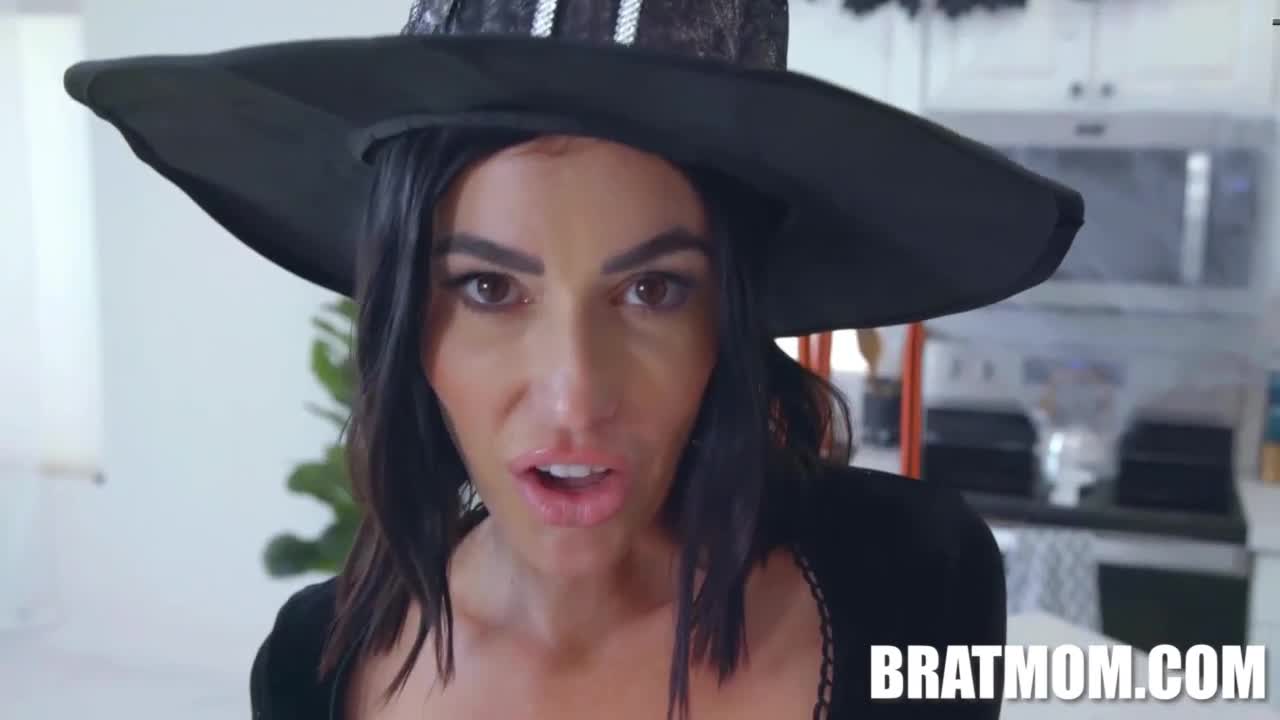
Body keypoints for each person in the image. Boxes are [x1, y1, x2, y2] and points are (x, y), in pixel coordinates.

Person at [65, 1, 1083, 718]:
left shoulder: (918, 578)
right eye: (487, 288)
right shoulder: (313, 670)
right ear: (407, 321)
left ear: (726, 323)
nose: (575, 397)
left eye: (652, 291)